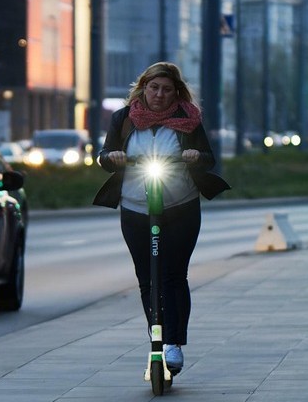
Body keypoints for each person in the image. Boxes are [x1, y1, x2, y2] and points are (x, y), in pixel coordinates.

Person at [93, 62, 230, 373]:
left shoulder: (188, 121)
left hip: (180, 205)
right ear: (143, 87)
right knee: (147, 277)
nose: (159, 94)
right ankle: (157, 336)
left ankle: (174, 342)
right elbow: (104, 156)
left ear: (176, 92)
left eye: (166, 89)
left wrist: (195, 157)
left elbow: (208, 158)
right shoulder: (124, 119)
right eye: (153, 87)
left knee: (173, 276)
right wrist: (111, 158)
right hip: (135, 206)